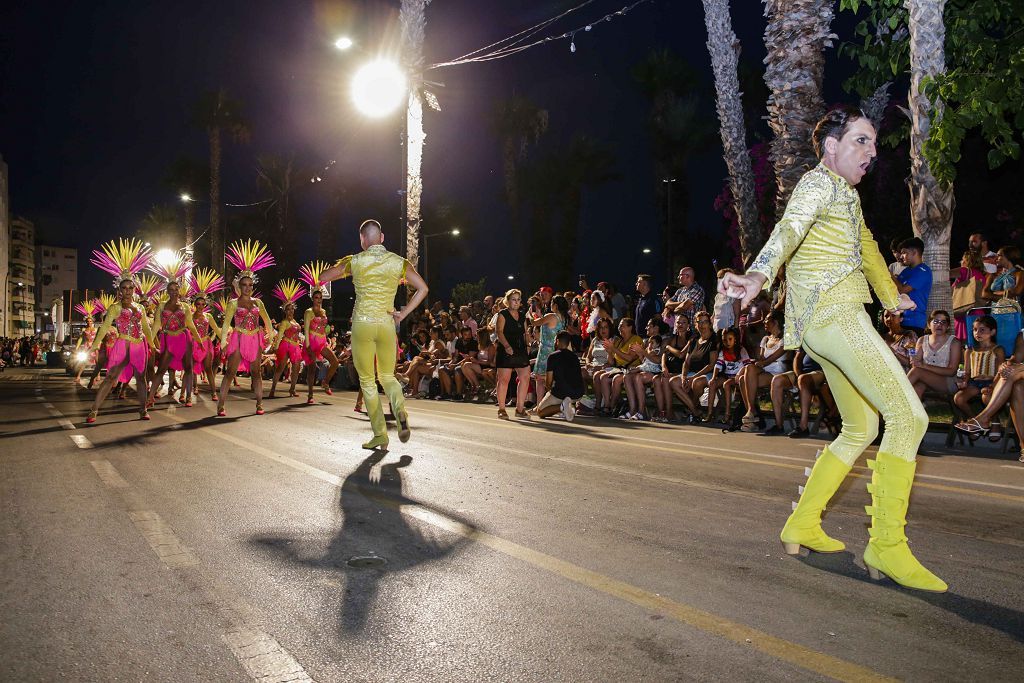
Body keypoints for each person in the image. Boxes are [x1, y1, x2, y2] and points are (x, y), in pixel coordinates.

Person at [721, 106, 945, 592]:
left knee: (861, 426)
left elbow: (865, 246)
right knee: (910, 419)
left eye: (873, 144)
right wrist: (758, 275)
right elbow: (789, 229)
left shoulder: (846, 196)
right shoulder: (818, 185)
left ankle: (802, 523)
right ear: (831, 146)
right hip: (835, 316)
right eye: (860, 141)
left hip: (828, 324)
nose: (871, 152)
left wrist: (891, 296)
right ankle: (886, 545)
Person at [322, 219, 426, 449]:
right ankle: (399, 409)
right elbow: (423, 288)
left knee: (368, 381)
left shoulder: (355, 261)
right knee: (387, 376)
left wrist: (343, 269)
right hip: (387, 325)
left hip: (362, 325)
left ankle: (380, 433)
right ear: (382, 238)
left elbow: (323, 277)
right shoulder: (399, 262)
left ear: (362, 240)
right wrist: (403, 313)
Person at [86, 238, 158, 423]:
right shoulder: (115, 308)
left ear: (134, 289)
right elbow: (102, 329)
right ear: (119, 290)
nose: (127, 291)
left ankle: (142, 409)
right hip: (122, 343)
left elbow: (147, 329)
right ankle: (94, 410)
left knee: (140, 378)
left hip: (139, 345)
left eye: (130, 288)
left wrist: (151, 345)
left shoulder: (140, 308)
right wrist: (94, 345)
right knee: (110, 377)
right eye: (124, 288)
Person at [217, 239, 278, 417]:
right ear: (239, 286)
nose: (248, 288)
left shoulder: (258, 302)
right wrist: (223, 343)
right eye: (244, 285)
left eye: (250, 285)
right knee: (230, 372)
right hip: (238, 338)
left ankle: (259, 404)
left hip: (255, 339)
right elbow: (226, 323)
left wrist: (270, 338)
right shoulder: (233, 303)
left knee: (256, 372)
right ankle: (221, 404)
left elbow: (266, 320)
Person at [955, 331, 1024, 461]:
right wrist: (1007, 364)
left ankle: (983, 419)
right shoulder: (1023, 335)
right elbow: (1017, 359)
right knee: (1016, 384)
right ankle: (1023, 447)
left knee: (1014, 372)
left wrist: (1019, 368)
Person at [146, 254, 203, 408]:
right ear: (167, 291)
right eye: (170, 290)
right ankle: (150, 398)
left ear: (179, 290)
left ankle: (189, 396)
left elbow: (191, 325)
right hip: (169, 340)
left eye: (176, 289)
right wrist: (150, 343)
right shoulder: (162, 306)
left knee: (188, 368)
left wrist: (199, 340)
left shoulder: (185, 306)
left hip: (184, 339)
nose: (174, 292)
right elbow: (156, 325)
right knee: (162, 369)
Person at [736, 311, 788, 432]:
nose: (764, 322)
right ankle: (752, 412)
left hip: (778, 372)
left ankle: (752, 413)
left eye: (767, 320)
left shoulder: (785, 340)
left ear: (775, 322)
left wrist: (761, 363)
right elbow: (760, 359)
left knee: (747, 374)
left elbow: (772, 358)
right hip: (765, 371)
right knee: (743, 377)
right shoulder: (765, 339)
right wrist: (745, 368)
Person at [953, 315, 1005, 429]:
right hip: (974, 382)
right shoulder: (969, 350)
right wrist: (964, 382)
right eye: (975, 330)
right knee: (959, 398)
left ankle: (995, 421)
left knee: (986, 397)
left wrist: (992, 386)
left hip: (992, 381)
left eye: (982, 330)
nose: (977, 333)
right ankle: (975, 420)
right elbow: (967, 371)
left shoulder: (997, 349)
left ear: (992, 332)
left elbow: (1000, 372)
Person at [299, 261, 341, 403]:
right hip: (311, 342)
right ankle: (310, 395)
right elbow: (305, 330)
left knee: (335, 362)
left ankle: (325, 382)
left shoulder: (323, 311)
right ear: (312, 298)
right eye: (316, 298)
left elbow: (325, 328)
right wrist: (308, 346)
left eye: (320, 298)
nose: (318, 300)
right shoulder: (308, 312)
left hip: (322, 342)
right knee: (311, 369)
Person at [186, 268, 225, 402]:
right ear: (195, 304)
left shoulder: (208, 316)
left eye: (203, 304)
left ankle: (214, 392)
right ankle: (190, 394)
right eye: (198, 304)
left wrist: (225, 341)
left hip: (206, 344)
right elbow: (186, 330)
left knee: (208, 368)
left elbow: (217, 330)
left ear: (205, 304)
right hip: (193, 343)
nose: (201, 306)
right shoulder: (190, 316)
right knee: (191, 369)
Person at [670, 312, 717, 421]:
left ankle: (691, 409)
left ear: (710, 324)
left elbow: (711, 365)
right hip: (692, 373)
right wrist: (684, 377)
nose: (702, 325)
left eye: (705, 322)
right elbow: (686, 362)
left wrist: (693, 377)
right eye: (699, 322)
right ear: (695, 325)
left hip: (708, 374)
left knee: (697, 382)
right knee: (673, 381)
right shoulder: (694, 340)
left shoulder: (714, 339)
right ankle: (695, 411)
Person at [494, 289, 533, 419]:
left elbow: (525, 333)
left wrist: (528, 345)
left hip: (520, 349)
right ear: (508, 301)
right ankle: (501, 409)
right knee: (504, 380)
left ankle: (520, 409)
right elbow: (499, 332)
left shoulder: (522, 315)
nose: (516, 302)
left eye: (518, 299)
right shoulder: (502, 314)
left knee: (525, 377)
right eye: (513, 299)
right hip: (506, 350)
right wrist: (506, 346)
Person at [907, 310, 963, 400]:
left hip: (948, 381)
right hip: (926, 378)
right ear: (929, 325)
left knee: (916, 371)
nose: (939, 325)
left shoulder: (954, 342)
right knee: (918, 388)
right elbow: (915, 363)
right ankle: (912, 413)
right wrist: (913, 357)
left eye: (943, 322)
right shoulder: (922, 340)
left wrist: (924, 366)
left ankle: (893, 397)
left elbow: (951, 371)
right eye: (936, 321)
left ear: (948, 326)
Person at [594, 318, 643, 417]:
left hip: (632, 369)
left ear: (630, 327)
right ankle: (606, 406)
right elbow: (612, 362)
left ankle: (612, 407)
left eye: (622, 326)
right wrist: (609, 352)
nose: (620, 328)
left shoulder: (636, 339)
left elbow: (629, 358)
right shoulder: (619, 341)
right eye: (619, 326)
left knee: (616, 379)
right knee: (601, 376)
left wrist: (613, 349)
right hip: (619, 368)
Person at [535, 331, 585, 421]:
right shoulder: (575, 357)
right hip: (578, 394)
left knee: (540, 412)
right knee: (563, 395)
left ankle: (562, 407)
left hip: (561, 393)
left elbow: (548, 382)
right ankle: (568, 406)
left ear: (557, 341)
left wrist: (549, 391)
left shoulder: (552, 356)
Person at [622, 319, 667, 420]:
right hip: (646, 369)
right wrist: (639, 353)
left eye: (649, 326)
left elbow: (657, 360)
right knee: (627, 376)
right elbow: (644, 361)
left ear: (656, 328)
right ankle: (633, 409)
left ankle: (641, 411)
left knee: (638, 377)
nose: (646, 328)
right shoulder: (647, 343)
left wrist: (643, 351)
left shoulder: (664, 341)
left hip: (655, 371)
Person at [269, 278, 307, 399]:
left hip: (295, 346)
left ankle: (292, 389)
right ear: (285, 311)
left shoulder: (295, 322)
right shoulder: (285, 322)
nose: (290, 311)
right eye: (288, 309)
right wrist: (275, 347)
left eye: (292, 309)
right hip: (285, 345)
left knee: (295, 368)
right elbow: (280, 335)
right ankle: (273, 389)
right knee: (280, 368)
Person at [528, 294, 568, 404]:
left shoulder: (551, 316)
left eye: (551, 303)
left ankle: (540, 405)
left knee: (540, 380)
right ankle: (551, 404)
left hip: (545, 351)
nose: (550, 305)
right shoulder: (564, 319)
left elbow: (534, 322)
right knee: (551, 379)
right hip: (556, 351)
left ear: (555, 305)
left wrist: (531, 314)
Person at [705, 326, 748, 424]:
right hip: (727, 376)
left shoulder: (741, 350)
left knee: (727, 384)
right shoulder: (722, 351)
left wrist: (739, 375)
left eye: (730, 339)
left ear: (735, 339)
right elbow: (718, 365)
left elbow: (747, 366)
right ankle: (709, 413)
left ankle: (727, 414)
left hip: (738, 376)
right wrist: (713, 377)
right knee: (712, 384)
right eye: (724, 340)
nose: (727, 342)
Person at [654, 316, 692, 422]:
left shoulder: (691, 339)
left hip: (683, 371)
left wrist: (668, 347)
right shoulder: (672, 338)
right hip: (670, 370)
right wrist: (663, 366)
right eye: (678, 322)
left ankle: (669, 411)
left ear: (688, 325)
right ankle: (661, 411)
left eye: (684, 322)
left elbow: (681, 355)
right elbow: (664, 355)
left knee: (666, 380)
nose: (680, 324)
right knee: (656, 379)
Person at [893, 236, 932, 336]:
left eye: (904, 252)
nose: (901, 256)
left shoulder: (923, 271)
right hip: (898, 320)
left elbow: (901, 290)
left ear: (914, 252)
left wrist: (889, 275)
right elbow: (894, 290)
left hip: (914, 323)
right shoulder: (905, 271)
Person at [949, 249, 987, 341]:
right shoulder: (981, 275)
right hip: (977, 312)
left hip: (963, 312)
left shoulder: (965, 271)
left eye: (963, 259)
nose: (961, 262)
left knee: (961, 344)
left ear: (968, 260)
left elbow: (945, 273)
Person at [72, 300, 100, 385]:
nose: (89, 323)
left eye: (90, 321)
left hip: (95, 346)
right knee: (83, 362)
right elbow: (81, 339)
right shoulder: (84, 330)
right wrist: (77, 347)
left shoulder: (96, 329)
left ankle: (97, 375)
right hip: (86, 346)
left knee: (97, 362)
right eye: (87, 321)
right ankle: (78, 376)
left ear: (93, 322)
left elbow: (99, 338)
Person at [711, 268, 741, 333]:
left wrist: (735, 331)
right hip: (716, 328)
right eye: (719, 278)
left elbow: (737, 315)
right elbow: (714, 315)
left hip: (728, 330)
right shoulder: (718, 296)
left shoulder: (734, 295)